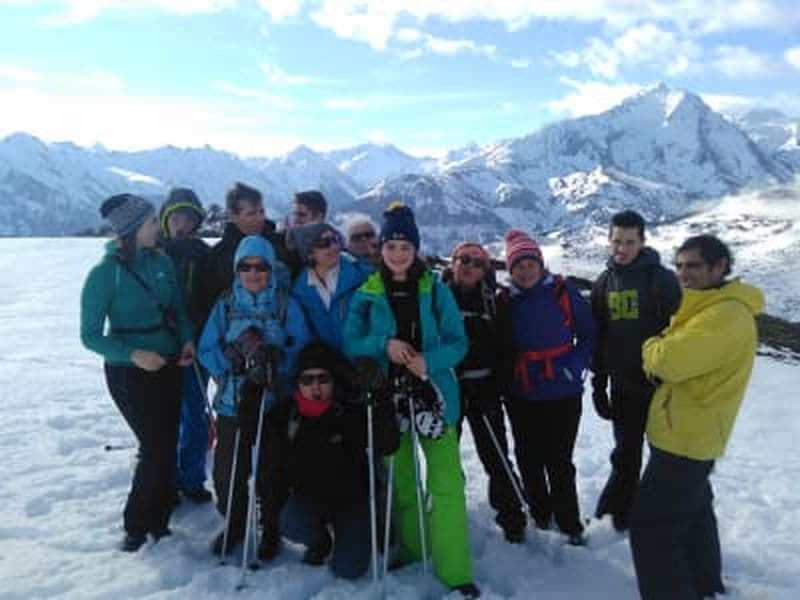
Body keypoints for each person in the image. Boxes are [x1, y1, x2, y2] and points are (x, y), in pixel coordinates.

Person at [344, 203, 480, 598]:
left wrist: (428, 362)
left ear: (416, 249)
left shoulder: (435, 290)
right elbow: (351, 341)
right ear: (381, 248)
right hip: (389, 399)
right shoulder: (367, 293)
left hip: (434, 398)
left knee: (446, 482)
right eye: (391, 246)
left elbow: (458, 342)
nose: (398, 253)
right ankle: (414, 547)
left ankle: (455, 570)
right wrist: (382, 345)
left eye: (405, 246)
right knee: (403, 482)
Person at [629, 234, 764, 600]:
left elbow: (668, 361)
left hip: (686, 439)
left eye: (693, 266)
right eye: (679, 266)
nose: (683, 274)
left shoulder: (724, 316)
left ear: (720, 267)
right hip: (692, 432)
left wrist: (650, 344)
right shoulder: (711, 307)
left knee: (651, 527)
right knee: (693, 514)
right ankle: (705, 585)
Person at [80, 193, 195, 552]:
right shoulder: (104, 275)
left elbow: (177, 308)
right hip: (129, 373)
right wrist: (133, 355)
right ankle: (136, 524)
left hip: (169, 363)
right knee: (155, 446)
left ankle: (159, 521)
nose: (157, 227)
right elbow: (90, 336)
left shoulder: (160, 262)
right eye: (151, 222)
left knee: (166, 443)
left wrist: (186, 340)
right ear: (131, 229)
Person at [198, 235, 311, 560]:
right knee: (227, 472)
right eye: (245, 267)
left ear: (270, 268)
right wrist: (230, 359)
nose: (253, 273)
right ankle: (234, 523)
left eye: (260, 266)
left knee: (270, 471)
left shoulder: (285, 304)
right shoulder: (226, 305)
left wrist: (279, 359)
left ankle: (270, 529)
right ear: (236, 269)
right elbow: (206, 348)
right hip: (233, 402)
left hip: (273, 402)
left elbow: (303, 346)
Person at [498, 229, 593, 546]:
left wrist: (573, 367)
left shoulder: (563, 292)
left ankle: (569, 523)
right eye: (518, 266)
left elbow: (588, 334)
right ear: (510, 270)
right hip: (522, 393)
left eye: (530, 264)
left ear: (541, 265)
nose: (525, 271)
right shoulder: (504, 300)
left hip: (563, 392)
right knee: (528, 457)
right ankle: (540, 513)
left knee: (559, 460)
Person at [275, 341, 399, 577]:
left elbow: (389, 444)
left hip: (351, 501)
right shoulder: (288, 414)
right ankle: (321, 541)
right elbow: (250, 431)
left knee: (349, 570)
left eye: (323, 379)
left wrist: (380, 394)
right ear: (298, 383)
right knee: (289, 523)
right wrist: (254, 386)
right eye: (307, 380)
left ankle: (354, 534)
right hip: (311, 498)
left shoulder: (350, 411)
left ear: (334, 380)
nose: (316, 386)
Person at [591, 210, 681, 531]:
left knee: (666, 457)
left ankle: (662, 518)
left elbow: (681, 332)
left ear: (642, 242)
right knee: (626, 454)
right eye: (617, 241)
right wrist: (598, 384)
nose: (622, 249)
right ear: (609, 240)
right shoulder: (604, 282)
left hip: (661, 389)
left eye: (630, 242)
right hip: (623, 387)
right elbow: (599, 337)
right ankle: (617, 517)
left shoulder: (662, 280)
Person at [442, 241, 526, 544]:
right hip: (447, 388)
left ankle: (511, 515)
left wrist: (496, 384)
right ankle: (448, 509)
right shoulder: (437, 297)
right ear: (453, 262)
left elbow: (507, 347)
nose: (470, 267)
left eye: (478, 263)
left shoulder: (493, 301)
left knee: (496, 454)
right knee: (445, 456)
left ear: (485, 270)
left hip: (484, 388)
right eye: (464, 259)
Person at [158, 187, 215, 504]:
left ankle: (192, 478)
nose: (182, 224)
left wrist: (197, 333)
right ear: (166, 219)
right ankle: (166, 480)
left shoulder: (203, 255)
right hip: (160, 349)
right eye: (176, 217)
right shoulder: (151, 254)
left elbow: (211, 300)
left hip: (195, 347)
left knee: (194, 413)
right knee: (164, 418)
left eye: (189, 219)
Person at [203, 182, 294, 302]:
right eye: (251, 214)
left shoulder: (280, 243)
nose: (260, 218)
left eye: (261, 211)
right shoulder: (218, 256)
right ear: (233, 216)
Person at [288, 222, 372, 353]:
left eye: (335, 240)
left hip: (364, 358)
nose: (334, 247)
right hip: (328, 361)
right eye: (324, 243)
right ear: (309, 252)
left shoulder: (362, 276)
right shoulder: (300, 291)